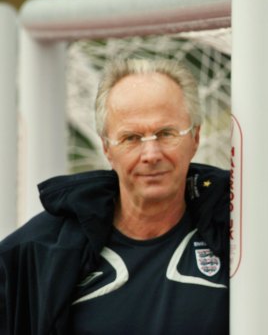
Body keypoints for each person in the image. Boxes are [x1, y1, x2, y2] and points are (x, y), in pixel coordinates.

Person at [0, 59, 230, 335]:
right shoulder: (36, 253)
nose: (151, 155)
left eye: (166, 134)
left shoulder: (239, 234)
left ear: (195, 137)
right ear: (107, 147)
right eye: (131, 138)